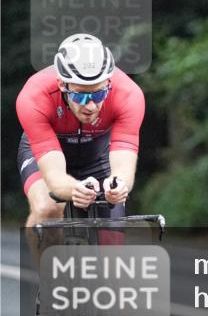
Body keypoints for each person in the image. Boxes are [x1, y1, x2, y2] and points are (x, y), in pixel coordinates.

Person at [17, 33, 144, 225]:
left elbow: (124, 166)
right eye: (81, 96)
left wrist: (118, 185)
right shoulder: (34, 96)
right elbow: (54, 177)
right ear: (61, 84)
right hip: (48, 148)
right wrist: (75, 188)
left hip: (97, 150)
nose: (91, 106)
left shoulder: (128, 95)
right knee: (47, 208)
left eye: (99, 93)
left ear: (109, 83)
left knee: (112, 233)